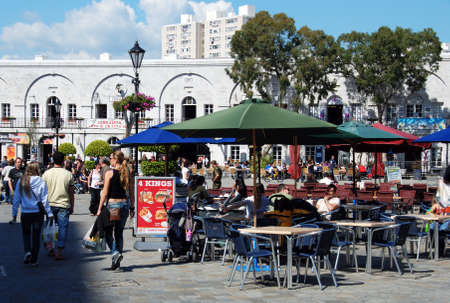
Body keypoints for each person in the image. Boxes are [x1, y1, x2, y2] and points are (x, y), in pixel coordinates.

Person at [96, 151, 134, 270]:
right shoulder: (128, 172)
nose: (109, 160)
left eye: (111, 158)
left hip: (114, 206)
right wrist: (132, 207)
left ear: (116, 160)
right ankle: (116, 263)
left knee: (107, 231)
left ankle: (115, 253)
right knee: (119, 233)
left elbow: (105, 193)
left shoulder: (109, 173)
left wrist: (99, 208)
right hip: (124, 205)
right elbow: (132, 192)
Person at [11, 162, 54, 266]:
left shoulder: (21, 181)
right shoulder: (41, 181)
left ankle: (27, 252)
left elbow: (16, 198)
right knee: (36, 236)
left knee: (26, 234)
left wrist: (14, 214)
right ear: (37, 170)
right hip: (37, 213)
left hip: (25, 212)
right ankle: (34, 259)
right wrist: (49, 213)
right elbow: (44, 200)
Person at [42, 152, 74, 260]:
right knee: (62, 228)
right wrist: (72, 206)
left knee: (50, 226)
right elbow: (71, 192)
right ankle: (59, 251)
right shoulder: (68, 174)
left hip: (49, 204)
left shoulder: (46, 173)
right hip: (64, 204)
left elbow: (43, 191)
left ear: (53, 160)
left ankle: (50, 248)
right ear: (63, 161)